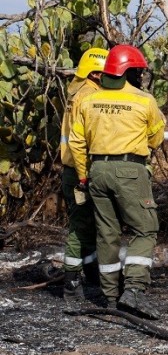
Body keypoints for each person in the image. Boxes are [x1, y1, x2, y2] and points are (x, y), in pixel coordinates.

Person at [68, 44, 166, 320]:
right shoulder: (144, 101)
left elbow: (76, 142)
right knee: (145, 229)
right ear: (129, 72)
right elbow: (156, 138)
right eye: (138, 72)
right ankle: (134, 290)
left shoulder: (87, 100)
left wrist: (84, 175)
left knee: (107, 234)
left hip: (96, 170)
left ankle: (110, 297)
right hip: (130, 171)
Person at [61, 47, 109, 301]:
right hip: (80, 171)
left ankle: (91, 272)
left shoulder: (76, 89)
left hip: (75, 169)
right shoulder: (88, 97)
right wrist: (84, 176)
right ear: (96, 73)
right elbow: (83, 140)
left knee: (89, 224)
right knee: (80, 226)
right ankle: (71, 280)